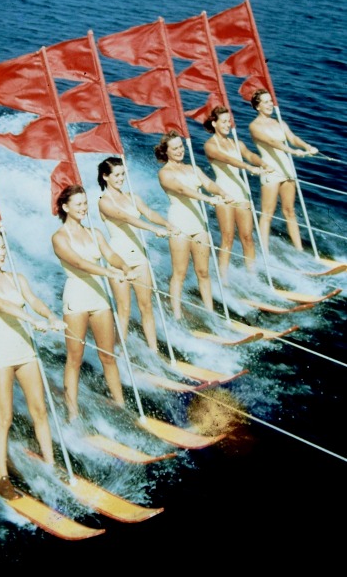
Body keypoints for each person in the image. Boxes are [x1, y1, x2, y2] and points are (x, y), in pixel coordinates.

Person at [0, 224, 65, 500]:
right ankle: (2, 478)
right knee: (5, 417)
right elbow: (2, 305)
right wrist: (33, 321)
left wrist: (51, 317)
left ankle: (51, 466)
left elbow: (33, 300)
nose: (2, 253)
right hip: (2, 353)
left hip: (26, 350)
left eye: (2, 248)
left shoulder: (17, 278)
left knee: (40, 411)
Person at [51, 184, 134, 423]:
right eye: (78, 204)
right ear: (65, 207)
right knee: (75, 359)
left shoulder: (95, 233)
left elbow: (111, 255)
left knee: (108, 356)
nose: (83, 208)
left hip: (99, 298)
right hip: (76, 299)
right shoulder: (59, 238)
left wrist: (124, 267)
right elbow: (79, 263)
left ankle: (121, 404)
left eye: (85, 203)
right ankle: (72, 412)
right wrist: (109, 274)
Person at [97, 156, 179, 353]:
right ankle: (120, 353)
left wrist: (167, 224)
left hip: (139, 258)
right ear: (105, 176)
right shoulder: (103, 202)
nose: (120, 179)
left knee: (146, 307)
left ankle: (154, 352)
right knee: (124, 310)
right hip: (118, 260)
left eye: (122, 174)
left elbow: (150, 213)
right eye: (116, 175)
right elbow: (125, 218)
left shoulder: (133, 197)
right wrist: (153, 230)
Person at [154, 130, 233, 319]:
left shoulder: (193, 169)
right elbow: (181, 189)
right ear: (166, 152)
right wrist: (207, 199)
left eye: (181, 146)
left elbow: (209, 183)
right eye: (175, 148)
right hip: (179, 224)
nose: (180, 150)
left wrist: (222, 193)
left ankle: (210, 312)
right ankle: (177, 315)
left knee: (203, 271)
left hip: (198, 224)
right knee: (180, 273)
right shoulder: (164, 173)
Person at [203, 105, 272, 283]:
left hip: (241, 193)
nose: (228, 125)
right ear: (214, 123)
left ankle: (252, 276)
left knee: (248, 238)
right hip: (224, 193)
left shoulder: (236, 143)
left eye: (229, 121)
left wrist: (263, 164)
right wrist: (249, 168)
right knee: (227, 238)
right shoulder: (210, 145)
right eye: (224, 121)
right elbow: (228, 159)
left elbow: (249, 155)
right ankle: (223, 280)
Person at [249, 89, 318, 252]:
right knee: (267, 213)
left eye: (270, 100)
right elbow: (272, 141)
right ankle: (264, 252)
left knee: (289, 211)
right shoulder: (254, 126)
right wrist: (293, 151)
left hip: (286, 170)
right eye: (265, 102)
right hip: (271, 171)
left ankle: (299, 250)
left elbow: (292, 138)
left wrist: (307, 146)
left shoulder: (279, 122)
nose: (270, 104)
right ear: (258, 106)